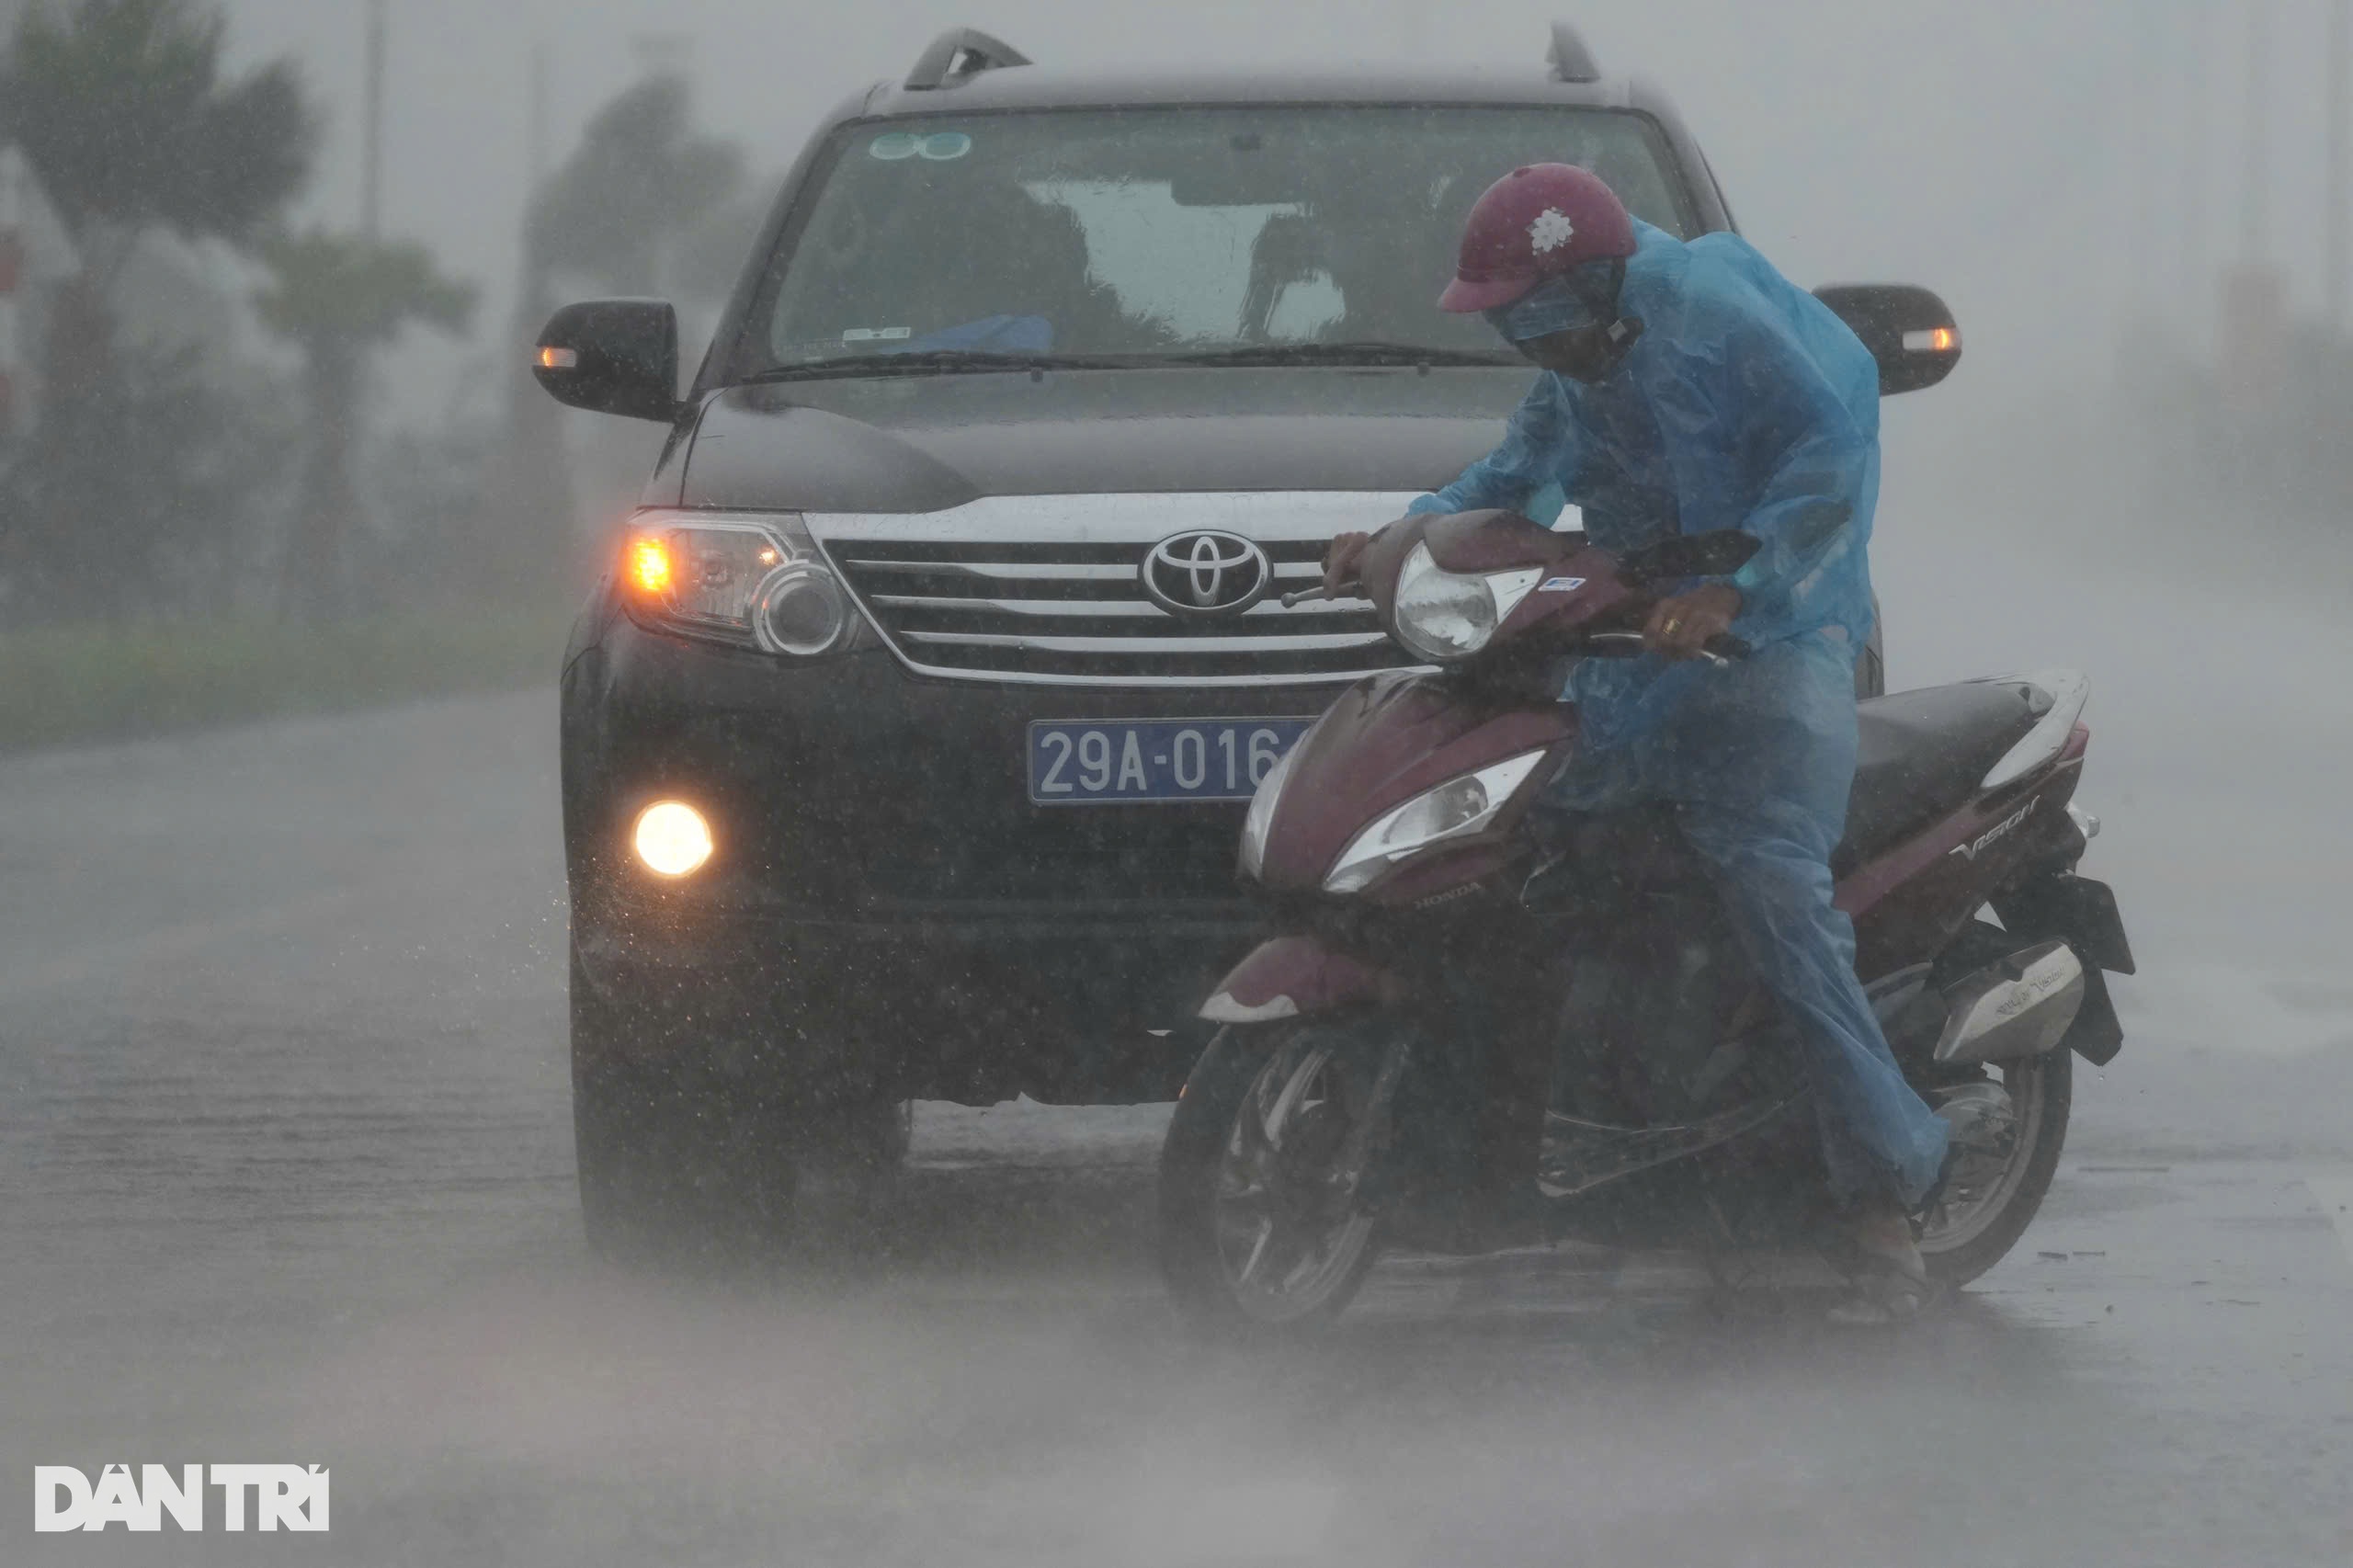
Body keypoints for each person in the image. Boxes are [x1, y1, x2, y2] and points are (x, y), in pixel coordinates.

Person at [1324, 164, 1950, 1324]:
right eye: (1506, 318)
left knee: (1773, 890)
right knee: (1536, 853)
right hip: (1634, 641)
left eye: (1532, 312)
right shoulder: (1580, 362)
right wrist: (1398, 536)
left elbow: (1828, 470)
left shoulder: (1718, 318)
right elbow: (1510, 479)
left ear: (1595, 280)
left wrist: (1741, 589)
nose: (1522, 337)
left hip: (1778, 643)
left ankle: (1886, 1188)